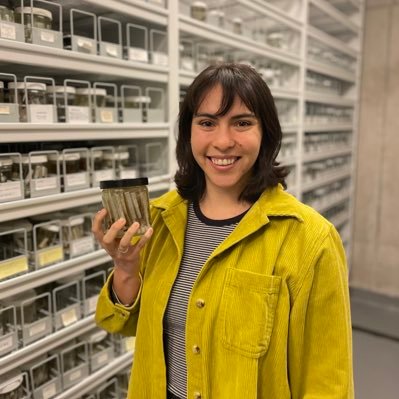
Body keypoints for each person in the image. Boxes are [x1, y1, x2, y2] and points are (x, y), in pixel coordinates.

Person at [93, 63, 354, 399]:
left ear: (267, 133)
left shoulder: (310, 239)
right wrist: (126, 270)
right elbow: (119, 323)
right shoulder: (159, 220)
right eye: (207, 123)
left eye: (242, 123)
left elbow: (328, 381)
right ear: (189, 132)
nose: (223, 141)